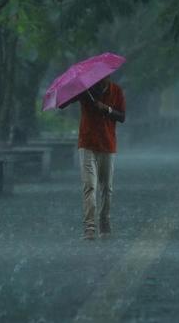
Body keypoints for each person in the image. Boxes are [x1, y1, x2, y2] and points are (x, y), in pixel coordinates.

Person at [73, 76, 126, 240]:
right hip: (87, 143)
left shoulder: (116, 91)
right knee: (89, 186)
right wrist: (78, 92)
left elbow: (122, 117)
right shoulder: (85, 91)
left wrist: (107, 109)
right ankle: (89, 227)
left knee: (106, 188)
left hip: (108, 144)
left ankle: (104, 221)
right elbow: (63, 104)